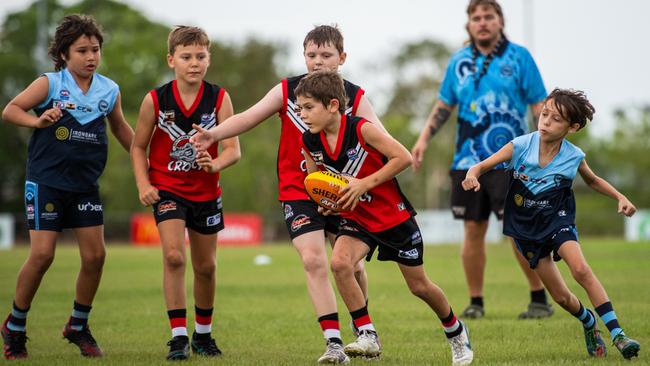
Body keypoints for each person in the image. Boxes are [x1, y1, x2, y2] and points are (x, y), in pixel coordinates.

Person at [191, 25, 386, 364]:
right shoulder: (287, 90)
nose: (317, 62)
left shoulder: (355, 97)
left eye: (326, 55)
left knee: (350, 267)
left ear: (342, 58)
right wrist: (213, 134)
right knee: (313, 260)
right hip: (299, 191)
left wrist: (367, 182)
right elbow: (249, 117)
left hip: (341, 192)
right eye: (311, 55)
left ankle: (364, 331)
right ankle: (334, 344)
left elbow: (381, 140)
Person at [297, 70, 474, 365]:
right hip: (358, 218)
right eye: (299, 107)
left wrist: (364, 184)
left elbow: (403, 157)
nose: (302, 114)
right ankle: (368, 334)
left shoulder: (362, 129)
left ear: (331, 105)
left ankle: (456, 331)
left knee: (419, 286)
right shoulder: (309, 140)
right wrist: (328, 203)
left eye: (308, 107)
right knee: (340, 263)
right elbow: (317, 179)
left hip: (394, 217)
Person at [462, 88, 640, 360]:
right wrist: (472, 175)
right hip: (525, 229)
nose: (546, 122)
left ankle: (618, 334)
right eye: (544, 114)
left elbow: (592, 181)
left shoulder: (574, 156)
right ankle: (588, 322)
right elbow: (480, 166)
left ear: (573, 127)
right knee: (561, 298)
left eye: (556, 119)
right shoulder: (520, 145)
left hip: (558, 220)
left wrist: (620, 196)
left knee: (580, 269)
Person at [0, 14, 134, 359]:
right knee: (43, 254)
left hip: (85, 185)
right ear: (63, 54)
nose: (91, 57)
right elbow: (11, 110)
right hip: (46, 183)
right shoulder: (49, 84)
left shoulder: (109, 90)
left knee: (96, 256)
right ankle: (14, 326)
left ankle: (78, 325)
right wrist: (37, 119)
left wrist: (145, 162)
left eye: (95, 49)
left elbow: (121, 130)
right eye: (82, 51)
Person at [411, 0, 552, 319]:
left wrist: (545, 149)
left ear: (501, 21)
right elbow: (444, 106)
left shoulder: (520, 58)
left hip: (512, 160)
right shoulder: (459, 61)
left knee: (518, 230)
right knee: (472, 231)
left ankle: (539, 299)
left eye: (489, 16)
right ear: (469, 25)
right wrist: (422, 140)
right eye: (476, 18)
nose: (483, 22)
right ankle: (476, 302)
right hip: (467, 161)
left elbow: (539, 105)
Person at [130, 26, 240, 361]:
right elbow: (138, 147)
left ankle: (203, 336)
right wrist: (144, 185)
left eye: (201, 56)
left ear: (209, 58)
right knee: (174, 257)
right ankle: (178, 337)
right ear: (171, 60)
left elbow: (234, 150)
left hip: (206, 194)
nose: (194, 63)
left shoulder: (219, 98)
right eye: (186, 56)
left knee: (206, 266)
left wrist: (214, 164)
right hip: (167, 190)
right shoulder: (156, 99)